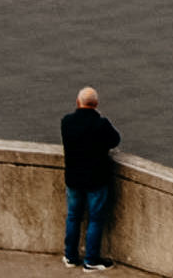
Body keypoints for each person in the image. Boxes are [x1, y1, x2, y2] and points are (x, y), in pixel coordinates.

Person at [57, 88, 122, 264]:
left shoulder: (66, 122)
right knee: (95, 220)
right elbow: (115, 140)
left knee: (73, 217)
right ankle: (91, 260)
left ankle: (70, 256)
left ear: (78, 102)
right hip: (96, 180)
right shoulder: (101, 124)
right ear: (96, 104)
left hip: (73, 179)